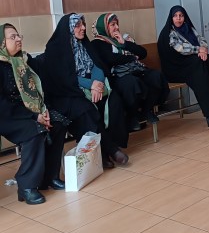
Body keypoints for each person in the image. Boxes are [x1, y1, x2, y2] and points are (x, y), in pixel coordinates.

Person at [40, 14, 129, 169]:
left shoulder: (84, 44)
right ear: (68, 28)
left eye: (83, 24)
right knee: (87, 111)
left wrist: (98, 83)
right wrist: (91, 84)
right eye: (78, 25)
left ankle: (105, 151)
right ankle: (109, 150)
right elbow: (65, 78)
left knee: (114, 101)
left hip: (92, 86)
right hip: (67, 93)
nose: (83, 28)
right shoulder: (55, 49)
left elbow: (97, 65)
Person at [0, 24, 66, 204]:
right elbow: (3, 105)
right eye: (12, 37)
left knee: (58, 122)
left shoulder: (24, 60)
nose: (18, 39)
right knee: (35, 130)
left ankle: (49, 177)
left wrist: (44, 110)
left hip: (31, 111)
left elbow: (38, 90)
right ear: (2, 42)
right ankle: (26, 186)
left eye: (18, 36)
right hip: (7, 115)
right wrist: (34, 116)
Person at [91, 13, 169, 132]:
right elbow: (110, 59)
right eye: (113, 25)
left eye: (117, 24)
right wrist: (131, 58)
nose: (117, 27)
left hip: (134, 70)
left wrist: (124, 43)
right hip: (116, 76)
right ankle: (132, 116)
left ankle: (146, 110)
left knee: (156, 77)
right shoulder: (97, 43)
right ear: (104, 27)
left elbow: (143, 53)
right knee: (131, 83)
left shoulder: (120, 39)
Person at [157, 5, 209, 127]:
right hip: (175, 69)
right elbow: (180, 48)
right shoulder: (169, 33)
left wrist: (203, 49)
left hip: (189, 64)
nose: (178, 18)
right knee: (200, 73)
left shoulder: (189, 28)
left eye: (181, 16)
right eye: (175, 16)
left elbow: (201, 39)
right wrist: (198, 50)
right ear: (171, 18)